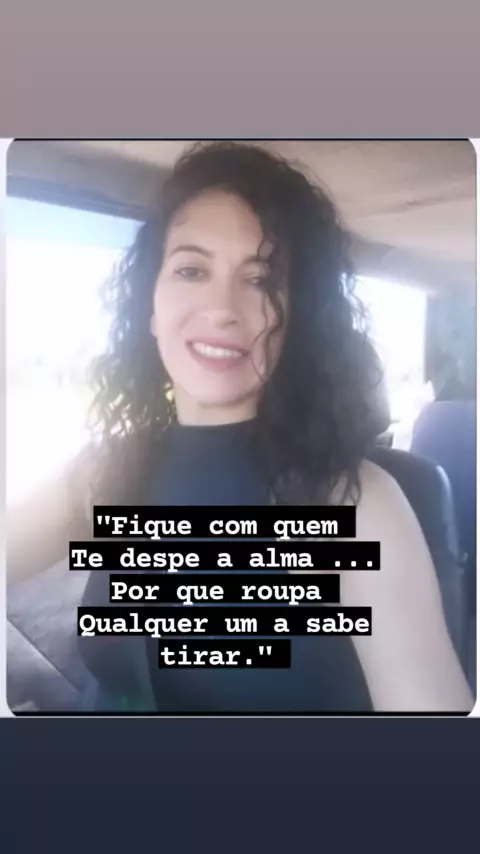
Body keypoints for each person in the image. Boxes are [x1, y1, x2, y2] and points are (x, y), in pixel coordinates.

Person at [7, 141, 473, 713]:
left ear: (295, 318)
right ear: (151, 306)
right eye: (191, 270)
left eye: (259, 280)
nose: (223, 308)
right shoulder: (109, 469)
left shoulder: (356, 503)